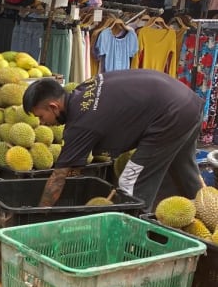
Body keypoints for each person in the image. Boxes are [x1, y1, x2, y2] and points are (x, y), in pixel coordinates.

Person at [22, 70, 204, 210]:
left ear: (54, 106)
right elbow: (74, 167)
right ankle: (206, 220)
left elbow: (58, 177)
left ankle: (131, 238)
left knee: (130, 183)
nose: (42, 123)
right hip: (187, 102)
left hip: (171, 115)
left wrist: (40, 212)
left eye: (41, 116)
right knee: (184, 172)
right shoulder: (83, 89)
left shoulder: (81, 124)